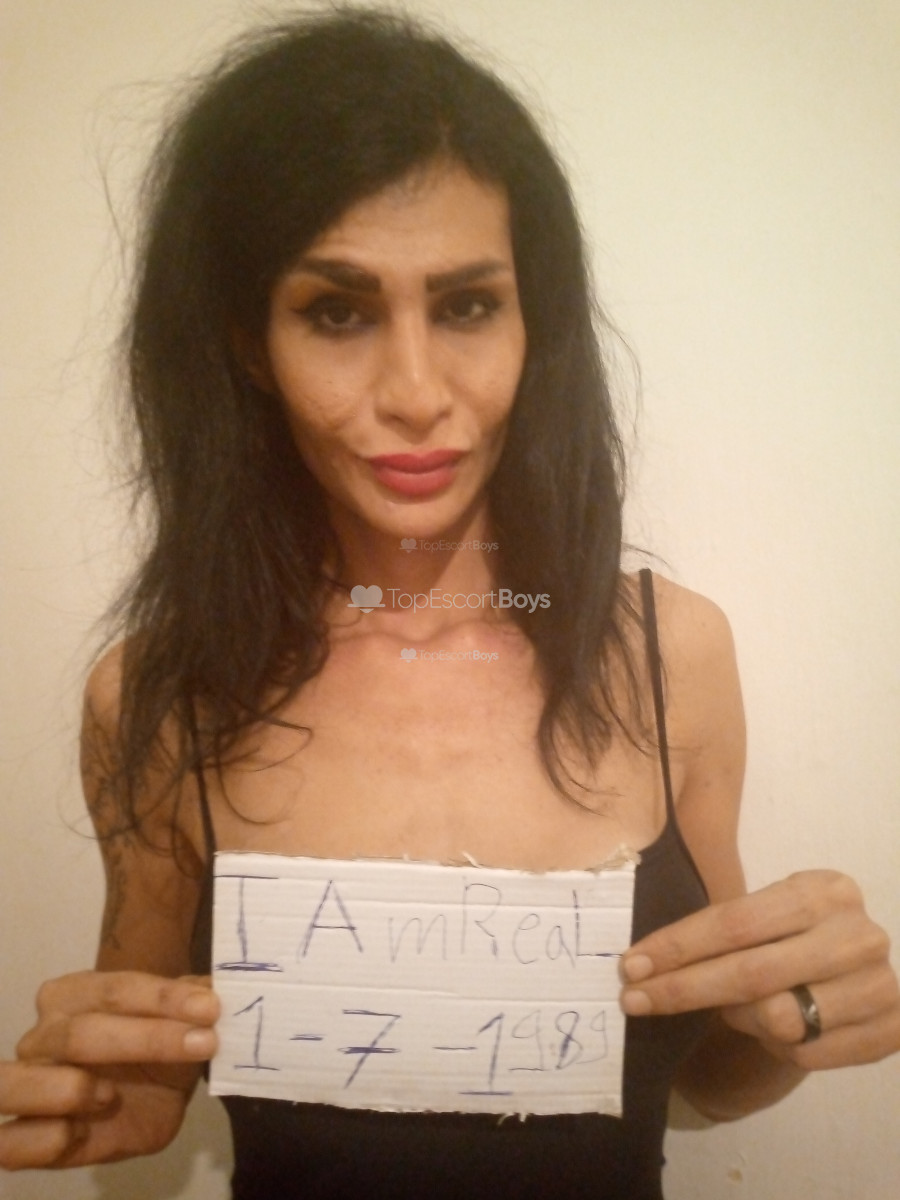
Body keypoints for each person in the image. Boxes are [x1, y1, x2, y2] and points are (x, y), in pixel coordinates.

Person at [0, 8, 897, 1198]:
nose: (416, 392)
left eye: (468, 305)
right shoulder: (162, 696)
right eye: (337, 311)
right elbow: (149, 1072)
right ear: (249, 343)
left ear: (534, 323)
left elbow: (712, 1073)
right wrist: (115, 1093)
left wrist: (798, 1022)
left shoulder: (671, 654)